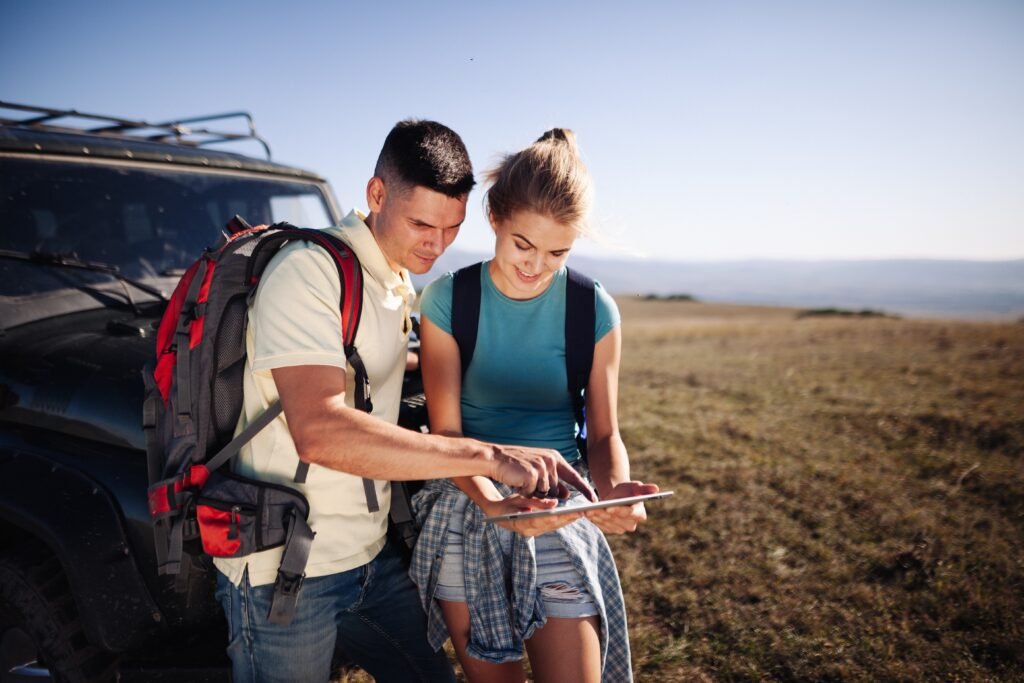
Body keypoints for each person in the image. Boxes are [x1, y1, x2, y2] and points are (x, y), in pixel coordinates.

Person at [213, 120, 593, 683]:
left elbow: (367, 376)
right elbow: (318, 429)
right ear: (375, 195)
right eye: (420, 224)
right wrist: (485, 456)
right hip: (286, 568)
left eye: (451, 228)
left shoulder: (394, 281)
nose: (435, 246)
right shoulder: (310, 272)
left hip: (367, 561)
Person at [411, 128, 658, 683]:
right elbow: (446, 433)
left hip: (558, 507)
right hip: (465, 501)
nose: (535, 266)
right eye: (523, 244)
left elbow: (602, 435)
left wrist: (612, 491)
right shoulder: (449, 299)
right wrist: (495, 503)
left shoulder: (592, 309)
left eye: (557, 252)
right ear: (494, 218)